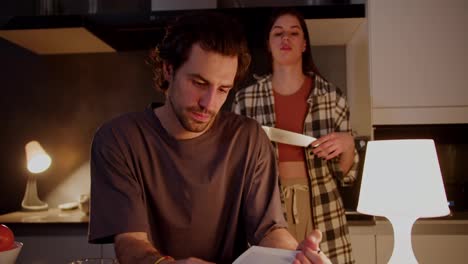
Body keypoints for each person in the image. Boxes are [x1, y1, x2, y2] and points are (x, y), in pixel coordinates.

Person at [88, 11, 332, 264]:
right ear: (168, 69)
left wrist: (295, 257)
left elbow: (269, 230)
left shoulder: (248, 138)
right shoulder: (118, 139)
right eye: (199, 83)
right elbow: (130, 243)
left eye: (223, 89)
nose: (209, 103)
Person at [232, 8, 359, 264]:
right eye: (277, 33)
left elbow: (344, 175)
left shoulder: (332, 97)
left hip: (321, 208)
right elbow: (235, 168)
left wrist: (348, 143)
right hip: (266, 210)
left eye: (293, 33)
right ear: (268, 44)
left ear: (304, 44)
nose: (285, 38)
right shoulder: (245, 100)